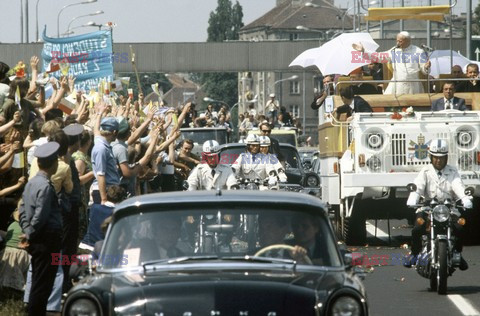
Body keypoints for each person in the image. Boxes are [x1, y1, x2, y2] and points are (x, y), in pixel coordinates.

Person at [405, 139, 472, 269]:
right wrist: (413, 197)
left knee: (459, 227)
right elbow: (418, 187)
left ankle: (457, 253)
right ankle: (414, 254)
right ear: (431, 157)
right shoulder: (425, 172)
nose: (438, 160)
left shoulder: (453, 172)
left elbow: (458, 186)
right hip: (428, 209)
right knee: (417, 228)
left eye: (441, 157)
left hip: (449, 209)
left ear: (446, 157)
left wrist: (465, 198)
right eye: (435, 157)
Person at [18, 141, 62, 315]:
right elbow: (41, 215)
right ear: (54, 163)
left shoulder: (32, 182)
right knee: (43, 284)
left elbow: (22, 208)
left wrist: (26, 228)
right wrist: (31, 232)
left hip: (38, 238)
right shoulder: (45, 186)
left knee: (38, 279)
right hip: (46, 239)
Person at [353, 31, 431, 95]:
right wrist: (364, 51)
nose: (397, 43)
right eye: (397, 40)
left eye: (400, 41)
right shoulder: (394, 50)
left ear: (408, 41)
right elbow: (379, 57)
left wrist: (426, 67)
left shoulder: (418, 51)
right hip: (397, 84)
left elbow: (424, 70)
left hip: (413, 85)